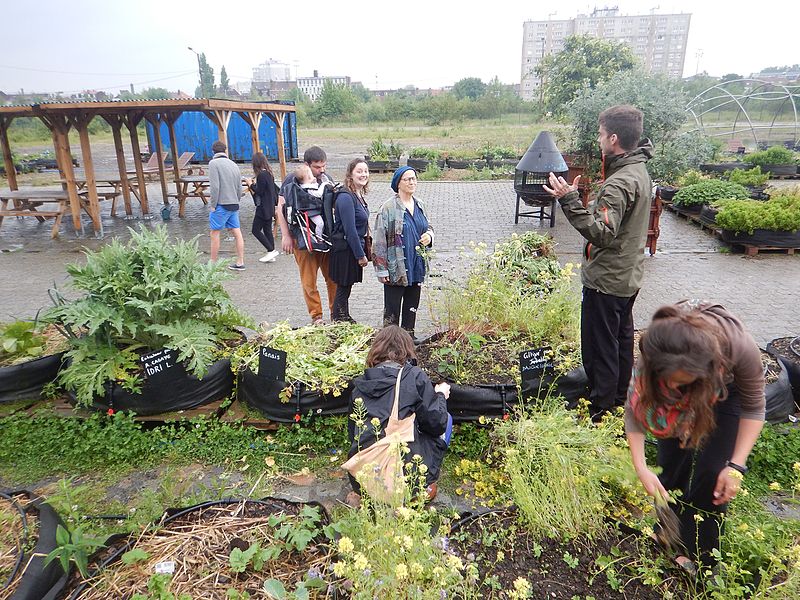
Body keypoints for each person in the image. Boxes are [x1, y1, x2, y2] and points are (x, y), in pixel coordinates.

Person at [625, 300, 765, 573]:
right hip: (687, 381)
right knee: (670, 465)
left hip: (727, 394)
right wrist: (641, 468)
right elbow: (635, 407)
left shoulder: (739, 347)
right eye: (671, 381)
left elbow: (755, 407)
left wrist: (736, 466)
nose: (676, 387)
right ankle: (667, 534)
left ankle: (700, 555)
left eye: (682, 381)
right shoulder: (660, 347)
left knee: (714, 475)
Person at [543, 105, 653, 420]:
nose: (599, 138)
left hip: (607, 280)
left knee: (599, 347)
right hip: (626, 276)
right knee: (620, 341)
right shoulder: (637, 169)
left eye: (602, 133)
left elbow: (603, 233)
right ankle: (620, 396)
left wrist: (569, 200)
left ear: (614, 138)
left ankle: (601, 409)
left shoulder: (619, 182)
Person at [347, 325, 452, 503]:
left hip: (362, 474)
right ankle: (421, 489)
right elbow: (436, 423)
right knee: (447, 419)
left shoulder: (360, 384)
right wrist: (441, 395)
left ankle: (363, 492)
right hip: (403, 475)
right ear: (407, 350)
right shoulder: (413, 377)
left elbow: (353, 434)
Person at [276, 146, 337, 325]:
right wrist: (286, 235)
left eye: (324, 166)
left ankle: (336, 312)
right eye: (317, 167)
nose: (322, 170)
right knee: (309, 281)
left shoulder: (327, 179)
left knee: (333, 278)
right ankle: (316, 316)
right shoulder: (291, 180)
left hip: (325, 240)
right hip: (302, 240)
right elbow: (280, 208)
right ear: (306, 165)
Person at [373, 166, 434, 338]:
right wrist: (381, 269)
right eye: (407, 179)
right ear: (398, 183)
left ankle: (409, 339)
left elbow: (428, 225)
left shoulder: (420, 204)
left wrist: (429, 235)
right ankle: (389, 343)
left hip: (416, 264)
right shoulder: (388, 208)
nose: (412, 182)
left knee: (411, 306)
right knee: (392, 311)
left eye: (414, 178)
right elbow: (379, 241)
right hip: (396, 267)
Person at [329, 159, 370, 322]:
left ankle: (344, 316)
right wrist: (361, 255)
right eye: (359, 171)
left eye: (366, 171)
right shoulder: (346, 197)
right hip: (345, 250)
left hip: (351, 248)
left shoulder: (357, 195)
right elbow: (350, 230)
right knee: (343, 287)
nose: (363, 174)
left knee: (346, 287)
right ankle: (338, 319)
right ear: (351, 174)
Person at [208, 140, 245, 271]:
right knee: (237, 233)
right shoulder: (234, 164)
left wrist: (213, 205)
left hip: (221, 204)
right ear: (225, 151)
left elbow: (215, 187)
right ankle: (240, 261)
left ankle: (212, 264)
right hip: (234, 203)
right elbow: (239, 187)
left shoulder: (213, 164)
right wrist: (237, 199)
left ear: (213, 152)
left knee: (215, 233)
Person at [247, 152, 280, 263]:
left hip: (263, 208)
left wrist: (250, 184)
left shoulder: (261, 175)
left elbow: (259, 191)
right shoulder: (269, 173)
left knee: (255, 230)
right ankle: (271, 252)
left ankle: (271, 250)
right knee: (267, 230)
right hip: (269, 206)